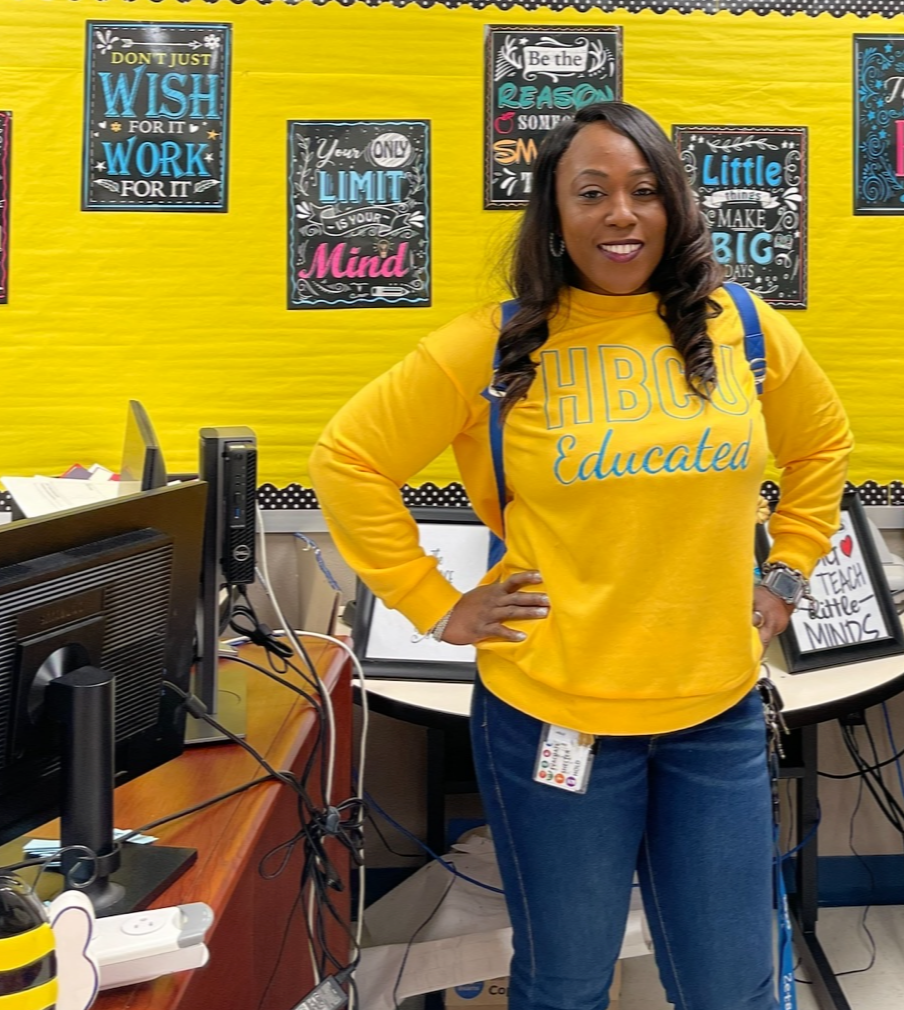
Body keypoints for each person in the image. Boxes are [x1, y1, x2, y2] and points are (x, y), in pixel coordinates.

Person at [310, 102, 852, 1010]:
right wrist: (435, 604)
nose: (621, 215)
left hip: (714, 715)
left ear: (674, 208)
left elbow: (822, 445)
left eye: (644, 192)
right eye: (591, 192)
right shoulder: (495, 344)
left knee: (736, 988)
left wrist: (787, 571)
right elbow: (347, 459)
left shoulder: (743, 329)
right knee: (564, 983)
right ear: (555, 216)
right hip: (553, 722)